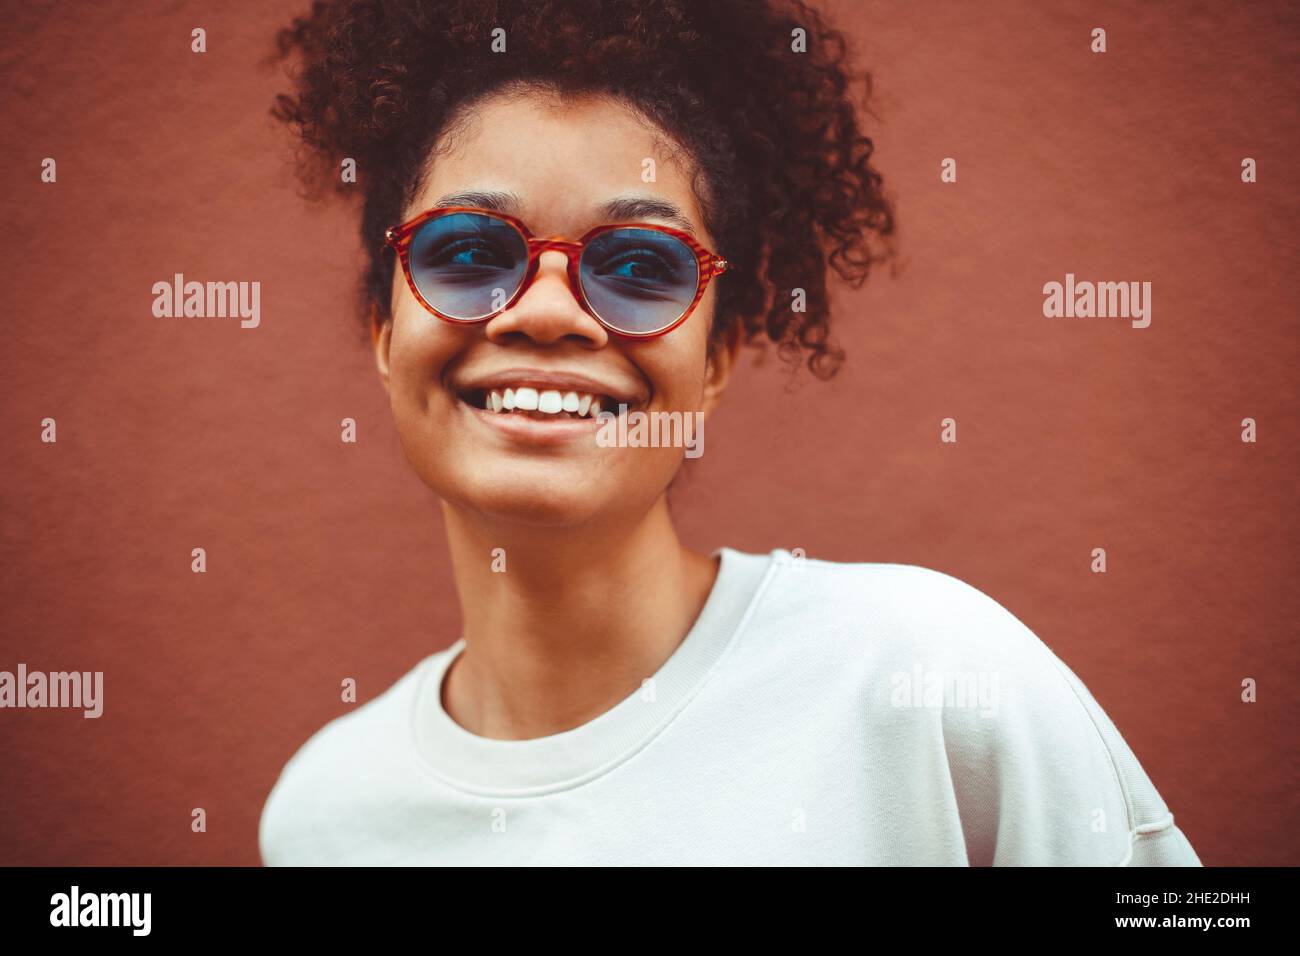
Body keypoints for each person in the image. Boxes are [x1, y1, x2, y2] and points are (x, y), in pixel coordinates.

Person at [258, 0, 1200, 866]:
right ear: (387, 332)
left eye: (638, 265)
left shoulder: (933, 682)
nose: (547, 312)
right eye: (467, 250)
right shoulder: (324, 815)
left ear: (716, 360)